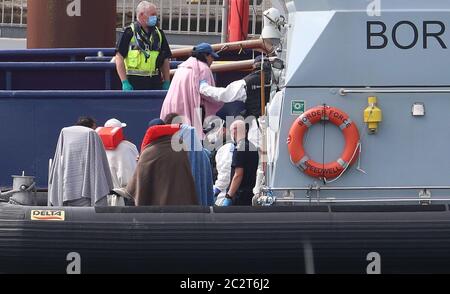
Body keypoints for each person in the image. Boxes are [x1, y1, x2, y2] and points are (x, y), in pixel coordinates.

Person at [126, 118, 198, 206]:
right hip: (182, 206)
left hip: (158, 210)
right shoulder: (181, 149)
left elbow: (137, 186)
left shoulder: (148, 153)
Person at [160, 42, 223, 138]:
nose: (212, 60)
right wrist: (222, 99)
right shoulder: (203, 68)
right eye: (212, 57)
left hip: (171, 108)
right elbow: (208, 94)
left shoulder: (182, 67)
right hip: (189, 109)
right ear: (206, 55)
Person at [48, 125, 113, 207]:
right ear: (92, 126)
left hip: (66, 190)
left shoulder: (67, 140)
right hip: (86, 193)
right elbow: (100, 164)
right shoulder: (92, 135)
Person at [115, 1, 172, 91]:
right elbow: (119, 57)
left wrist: (167, 81)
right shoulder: (129, 32)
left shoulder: (159, 34)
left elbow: (165, 58)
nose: (155, 17)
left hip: (155, 82)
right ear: (141, 15)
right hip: (134, 82)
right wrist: (124, 82)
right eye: (152, 14)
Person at [101, 118, 139, 206]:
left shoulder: (98, 148)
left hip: (102, 199)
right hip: (124, 199)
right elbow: (134, 175)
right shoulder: (128, 147)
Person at [224, 120, 259, 206]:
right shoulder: (252, 146)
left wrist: (229, 196)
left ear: (234, 131)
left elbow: (238, 174)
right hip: (249, 193)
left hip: (239, 196)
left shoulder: (239, 148)